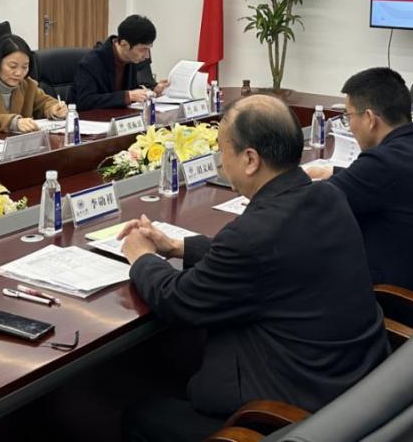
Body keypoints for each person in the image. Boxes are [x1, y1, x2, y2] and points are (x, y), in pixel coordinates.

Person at [118, 95, 387, 442]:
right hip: (347, 383)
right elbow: (272, 257)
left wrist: (141, 257)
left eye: (222, 150)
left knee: (140, 415)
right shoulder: (327, 197)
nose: (220, 161)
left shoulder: (255, 233)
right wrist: (177, 246)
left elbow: (178, 300)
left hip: (288, 415)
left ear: (250, 159)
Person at [303, 67, 413, 304]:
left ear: (369, 119)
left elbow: (312, 206)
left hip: (396, 303)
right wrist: (332, 172)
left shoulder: (383, 163)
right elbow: (379, 184)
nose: (349, 125)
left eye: (348, 117)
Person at [0, 34, 67, 132]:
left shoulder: (28, 85)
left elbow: (45, 103)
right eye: (12, 66)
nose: (19, 73)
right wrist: (12, 122)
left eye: (25, 67)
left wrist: (54, 109)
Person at [72, 15, 169, 111]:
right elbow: (84, 101)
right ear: (124, 44)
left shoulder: (134, 58)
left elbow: (137, 88)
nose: (147, 56)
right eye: (143, 49)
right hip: (95, 118)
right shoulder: (92, 62)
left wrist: (152, 90)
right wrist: (127, 96)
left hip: (123, 116)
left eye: (149, 49)